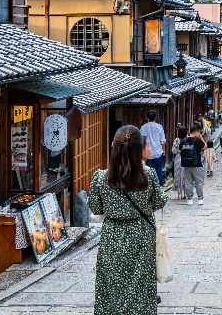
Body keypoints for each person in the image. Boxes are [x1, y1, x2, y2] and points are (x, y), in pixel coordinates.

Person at [89, 125, 168, 315]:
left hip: (112, 235)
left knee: (112, 285)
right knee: (141, 285)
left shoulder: (101, 178)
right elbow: (159, 202)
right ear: (139, 149)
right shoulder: (147, 175)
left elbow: (95, 207)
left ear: (113, 148)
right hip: (141, 235)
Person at [180, 125, 206, 206]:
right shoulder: (197, 141)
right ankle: (200, 199)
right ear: (196, 131)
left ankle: (190, 199)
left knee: (188, 182)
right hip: (197, 164)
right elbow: (205, 147)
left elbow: (179, 150)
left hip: (186, 165)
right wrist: (201, 138)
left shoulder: (183, 140)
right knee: (199, 182)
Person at [140, 110, 166, 184]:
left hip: (148, 153)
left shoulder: (144, 127)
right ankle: (158, 187)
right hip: (158, 152)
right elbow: (163, 140)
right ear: (156, 117)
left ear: (147, 118)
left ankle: (150, 187)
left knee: (149, 171)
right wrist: (163, 150)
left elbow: (141, 140)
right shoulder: (159, 127)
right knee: (158, 170)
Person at [171, 127, 187, 200]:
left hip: (178, 158)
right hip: (186, 158)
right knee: (185, 175)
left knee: (178, 175)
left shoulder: (176, 140)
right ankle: (185, 192)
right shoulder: (187, 139)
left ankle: (179, 193)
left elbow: (173, 150)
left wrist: (178, 151)